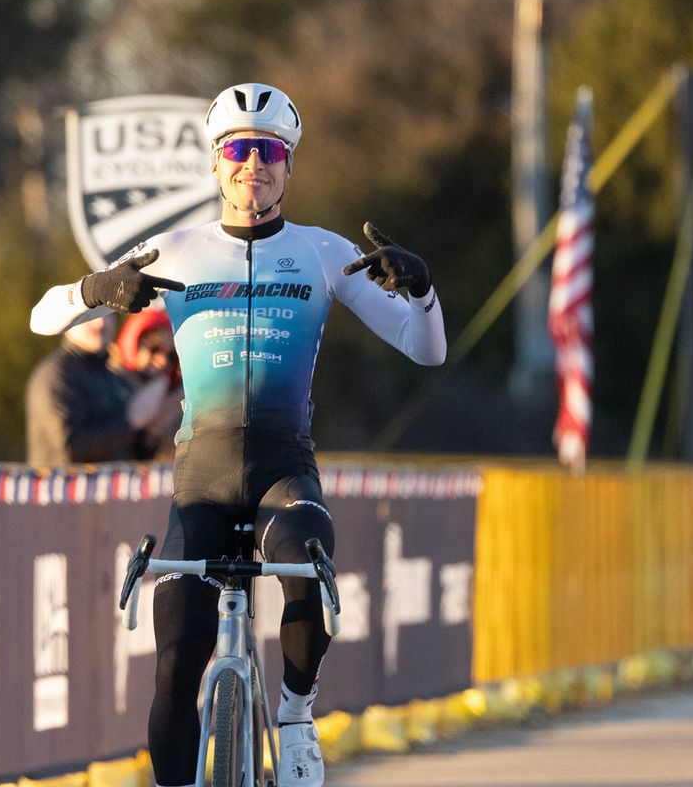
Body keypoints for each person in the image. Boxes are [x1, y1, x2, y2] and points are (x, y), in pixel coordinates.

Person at [30, 83, 446, 787]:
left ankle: (294, 714)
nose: (252, 164)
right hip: (203, 478)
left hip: (284, 468)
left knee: (309, 564)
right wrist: (96, 290)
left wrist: (423, 291)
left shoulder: (322, 252)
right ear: (216, 164)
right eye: (238, 150)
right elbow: (43, 317)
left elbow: (427, 349)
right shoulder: (175, 249)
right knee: (172, 668)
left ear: (287, 166)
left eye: (268, 151)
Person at [26, 313, 174, 467]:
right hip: (60, 489)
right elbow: (71, 448)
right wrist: (131, 421)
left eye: (106, 314)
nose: (101, 323)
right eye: (90, 315)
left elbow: (132, 454)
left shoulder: (114, 378)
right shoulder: (56, 374)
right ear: (69, 320)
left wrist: (153, 433)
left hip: (113, 490)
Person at [114, 308, 183, 460]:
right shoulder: (111, 381)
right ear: (133, 344)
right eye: (154, 349)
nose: (163, 361)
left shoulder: (175, 393)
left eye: (171, 356)